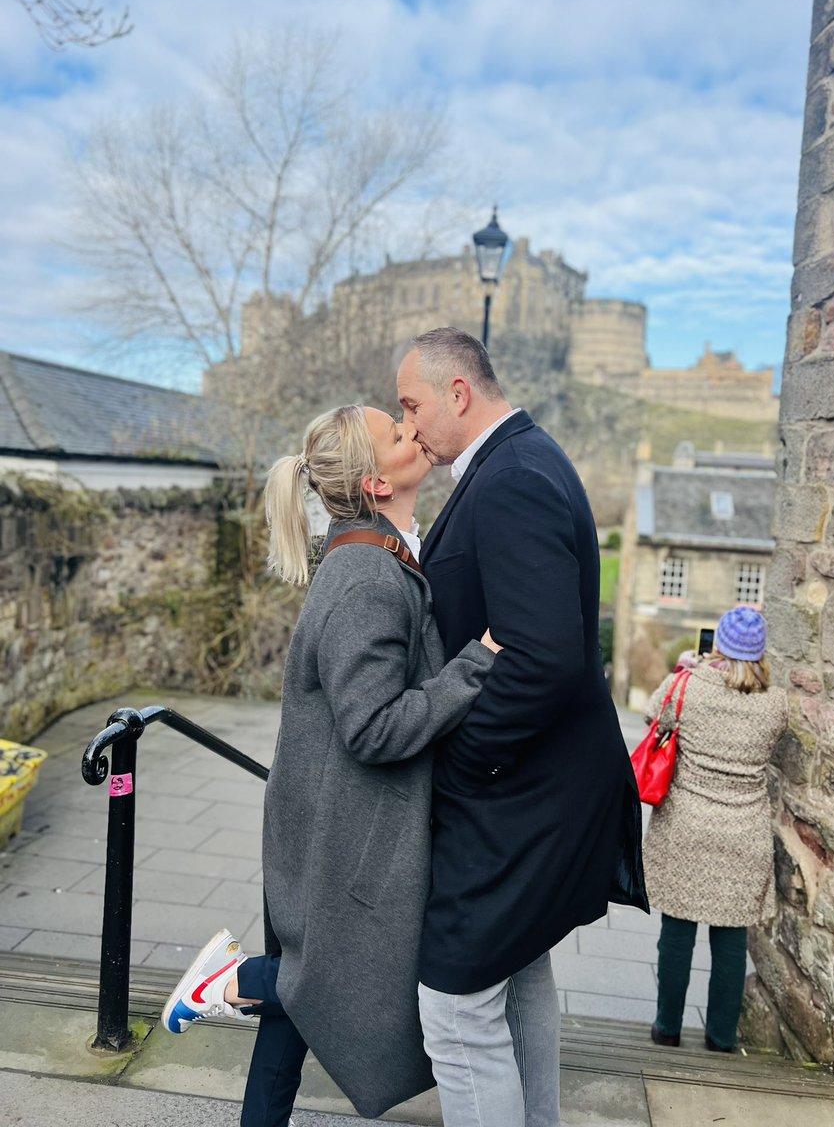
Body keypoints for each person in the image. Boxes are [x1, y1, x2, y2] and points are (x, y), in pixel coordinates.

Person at [160, 404, 499, 1126]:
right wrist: (477, 666)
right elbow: (373, 727)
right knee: (328, 982)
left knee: (299, 1009)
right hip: (348, 838)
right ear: (376, 483)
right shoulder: (367, 578)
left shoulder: (377, 557)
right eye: (398, 432)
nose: (416, 432)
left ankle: (246, 1002)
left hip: (335, 820)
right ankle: (237, 978)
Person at [396, 326, 648, 1127]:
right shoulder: (522, 460)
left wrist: (466, 763)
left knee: (455, 1003)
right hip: (543, 784)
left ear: (458, 394)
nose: (408, 428)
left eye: (412, 406)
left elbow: (543, 656)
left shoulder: (512, 478)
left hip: (523, 792)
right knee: (516, 974)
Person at [642, 605, 787, 1053]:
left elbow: (652, 716)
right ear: (759, 652)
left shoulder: (686, 685)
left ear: (718, 644)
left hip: (685, 825)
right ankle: (721, 1036)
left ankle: (667, 1028)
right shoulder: (777, 703)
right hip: (744, 832)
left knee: (678, 932)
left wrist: (689, 666)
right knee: (731, 938)